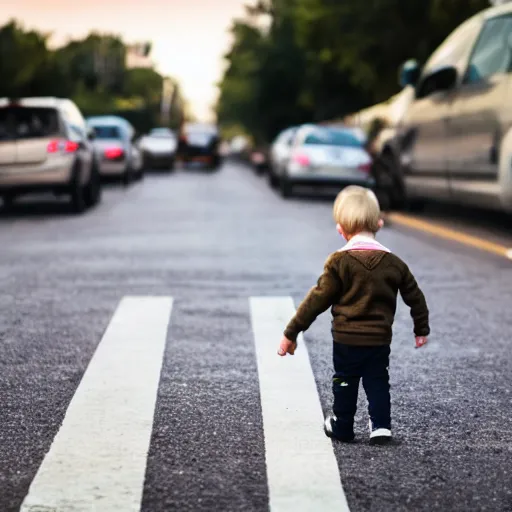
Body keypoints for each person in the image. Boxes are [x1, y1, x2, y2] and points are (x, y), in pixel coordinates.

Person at [277, 186, 430, 444]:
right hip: (379, 340)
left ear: (340, 229)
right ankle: (381, 426)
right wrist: (421, 328)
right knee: (377, 380)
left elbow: (316, 300)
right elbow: (415, 296)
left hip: (346, 340)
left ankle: (343, 425)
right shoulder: (395, 264)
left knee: (345, 381)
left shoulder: (338, 262)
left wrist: (291, 332)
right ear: (379, 223)